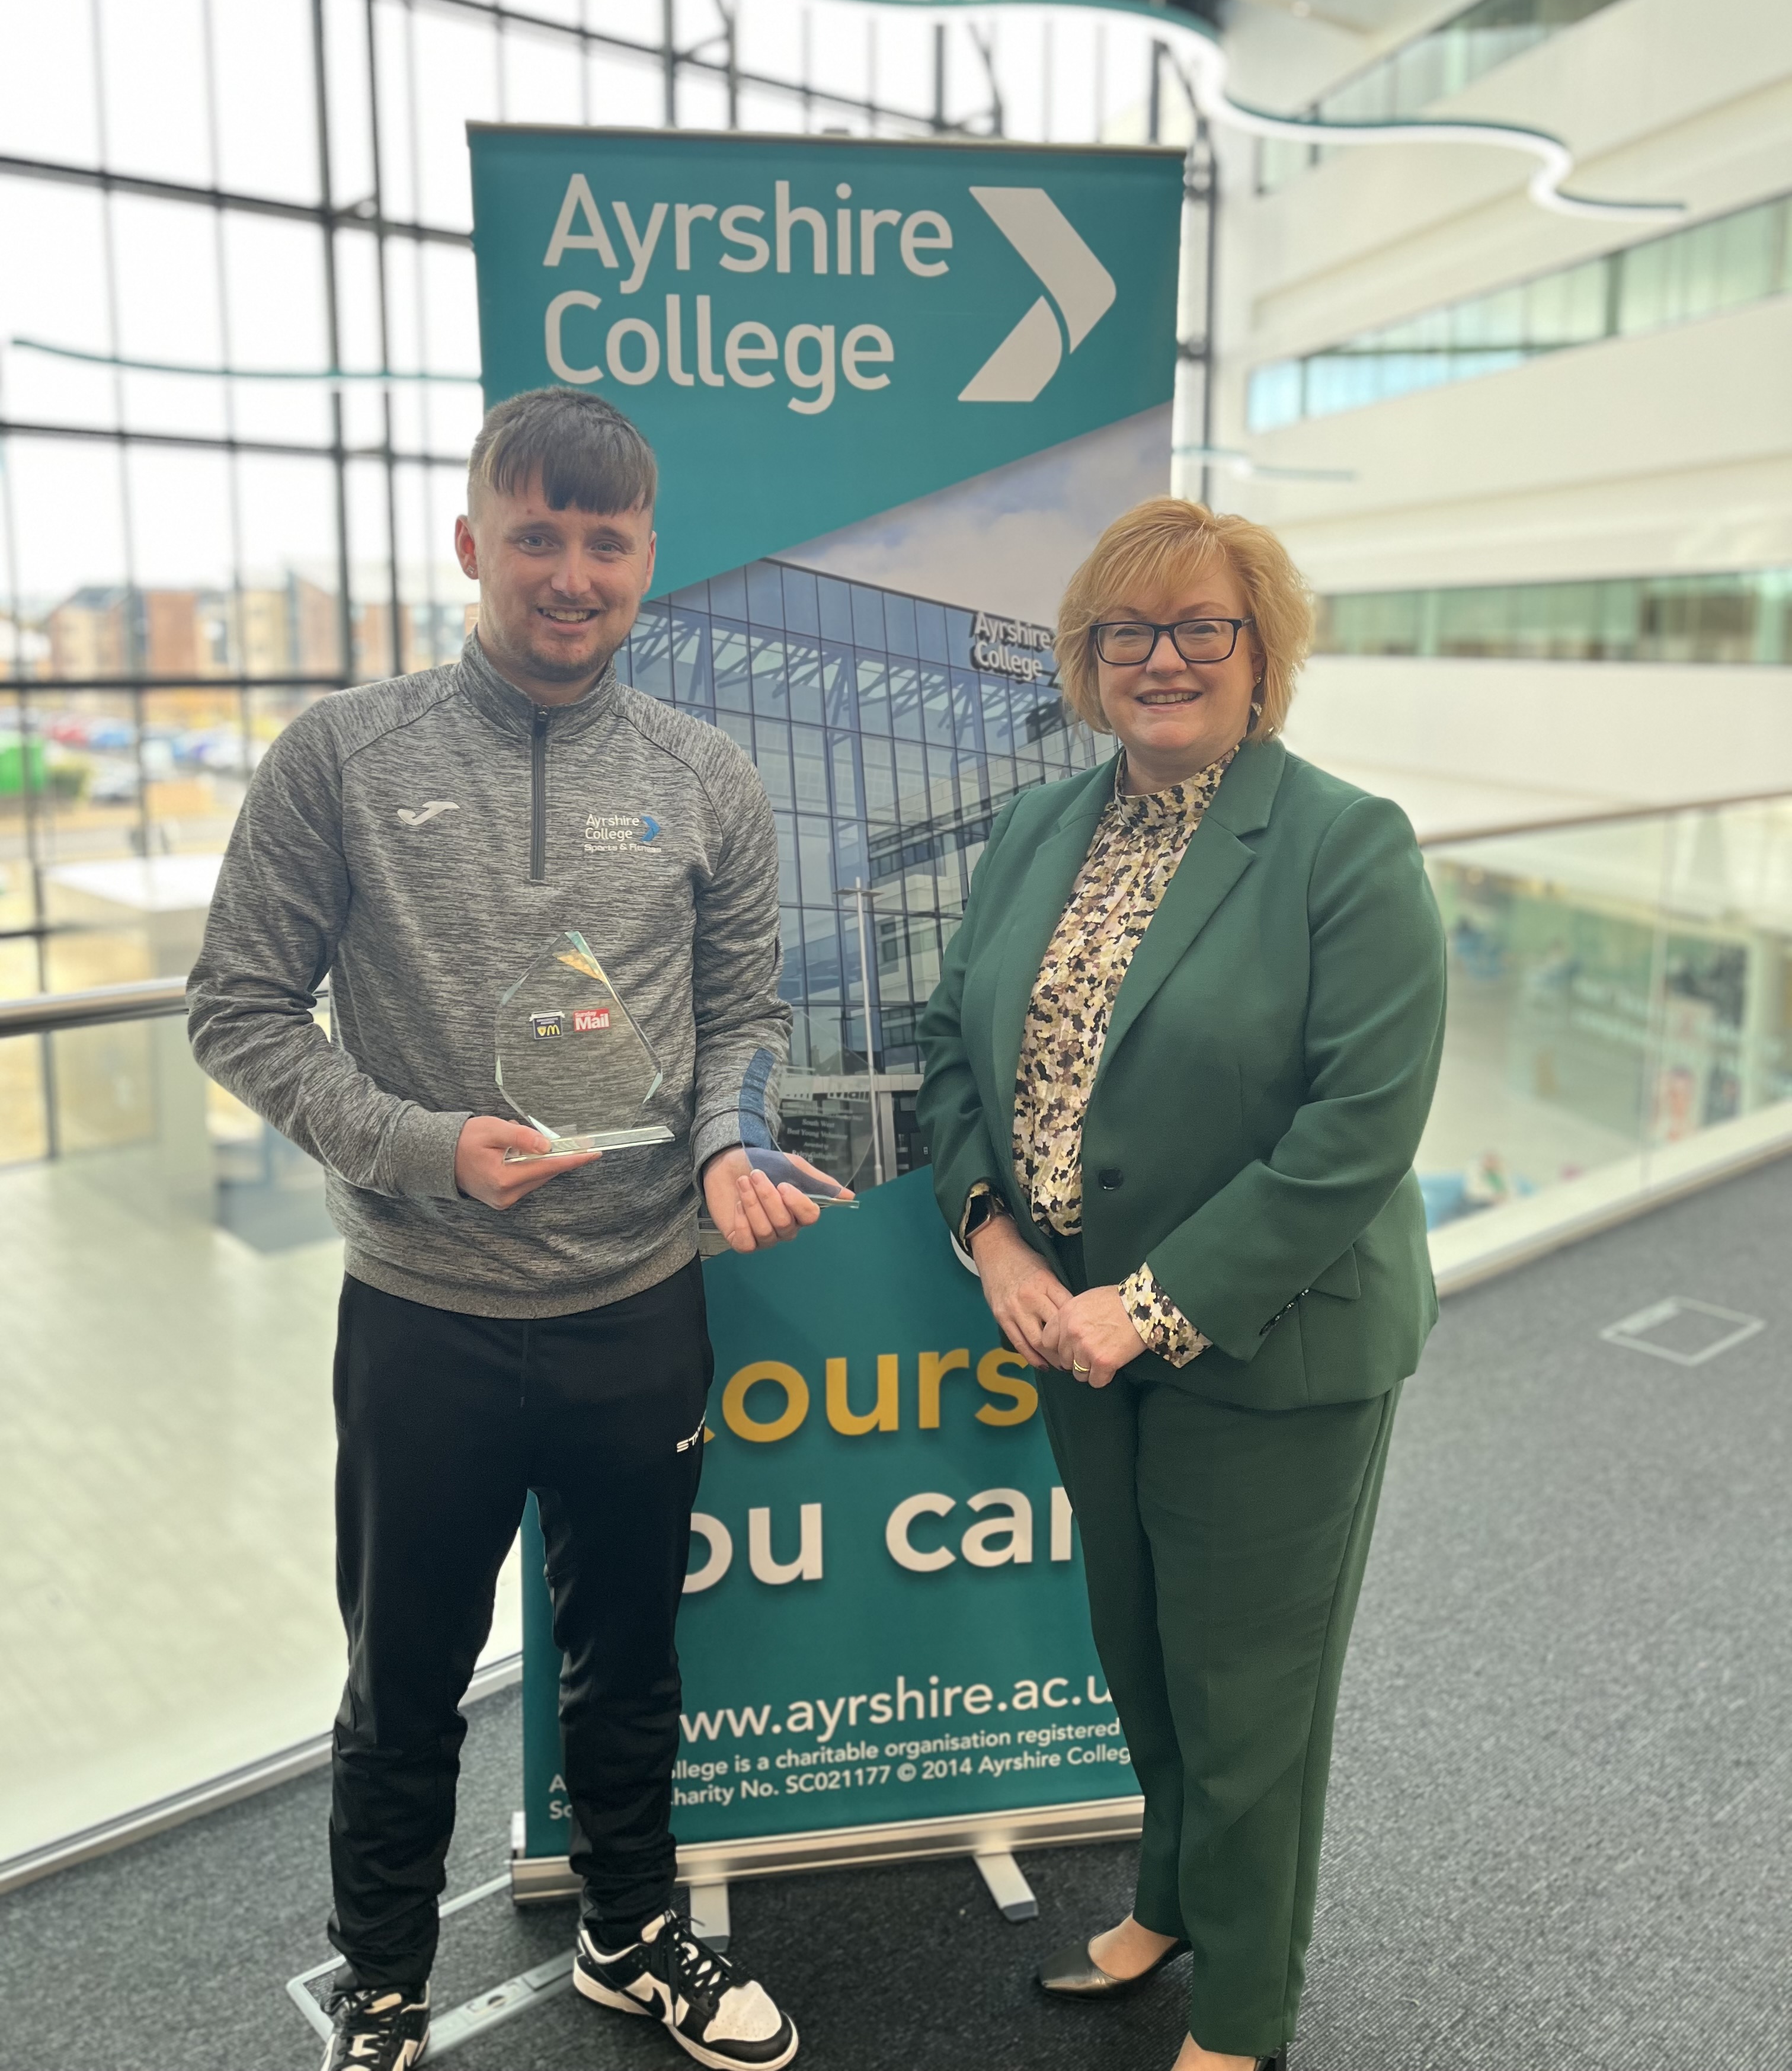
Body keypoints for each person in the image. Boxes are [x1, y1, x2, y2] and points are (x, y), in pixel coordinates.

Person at [188, 388, 821, 2071]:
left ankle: (629, 1932)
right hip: (425, 1317)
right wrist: (423, 1150)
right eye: (537, 536)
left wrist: (728, 1143)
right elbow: (238, 1007)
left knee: (631, 1662)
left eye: (604, 543)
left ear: (646, 560)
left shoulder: (708, 776)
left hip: (641, 1304)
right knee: (403, 1681)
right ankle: (386, 1986)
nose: (571, 575)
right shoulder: (343, 755)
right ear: (473, 544)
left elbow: (744, 1017)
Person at [915, 496, 1446, 2071]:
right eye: (1129, 633)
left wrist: (1144, 1306)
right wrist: (997, 1240)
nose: (1165, 659)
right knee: (1141, 1652)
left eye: (1203, 627)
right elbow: (951, 1049)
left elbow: (1358, 1131)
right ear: (1088, 661)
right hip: (1076, 1331)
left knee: (1250, 1699)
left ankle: (1245, 2010)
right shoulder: (1039, 830)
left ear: (1261, 652)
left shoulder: (1345, 845)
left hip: (1268, 1344)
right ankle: (1166, 1897)